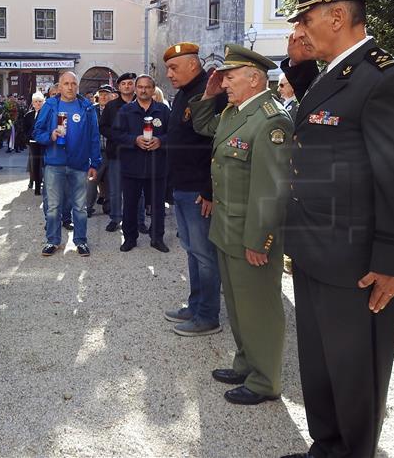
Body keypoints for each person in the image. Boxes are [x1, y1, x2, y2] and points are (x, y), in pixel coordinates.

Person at [279, 0, 394, 458]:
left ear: (337, 17)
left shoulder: (386, 79)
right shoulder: (336, 74)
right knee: (319, 365)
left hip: (355, 261)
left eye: (305, 19)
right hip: (313, 248)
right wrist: (299, 64)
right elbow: (321, 123)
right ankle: (325, 446)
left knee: (353, 371)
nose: (300, 30)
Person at [190, 43, 292, 406]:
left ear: (254, 78)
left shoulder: (271, 120)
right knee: (237, 305)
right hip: (227, 228)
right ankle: (246, 363)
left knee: (260, 309)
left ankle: (266, 381)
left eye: (230, 77)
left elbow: (271, 190)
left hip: (251, 234)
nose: (224, 82)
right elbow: (202, 125)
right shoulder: (237, 112)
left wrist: (258, 241)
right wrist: (209, 94)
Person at [162, 42, 227, 336]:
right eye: (167, 69)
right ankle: (195, 305)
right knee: (192, 251)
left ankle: (208, 316)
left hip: (199, 190)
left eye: (174, 68)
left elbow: (218, 144)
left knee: (205, 255)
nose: (169, 74)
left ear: (193, 64)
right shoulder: (185, 93)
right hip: (182, 185)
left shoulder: (211, 92)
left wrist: (210, 189)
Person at [33, 71, 101, 257]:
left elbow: (94, 137)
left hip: (79, 164)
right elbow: (37, 132)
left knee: (80, 207)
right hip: (54, 164)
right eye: (66, 84)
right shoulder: (50, 105)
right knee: (54, 206)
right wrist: (51, 136)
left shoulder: (86, 107)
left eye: (73, 83)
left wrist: (94, 163)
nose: (70, 87)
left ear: (77, 86)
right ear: (60, 86)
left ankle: (81, 241)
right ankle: (52, 241)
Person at [112, 74, 170, 253]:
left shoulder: (163, 110)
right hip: (132, 167)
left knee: (158, 205)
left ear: (153, 90)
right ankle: (130, 238)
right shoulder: (125, 111)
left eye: (147, 87)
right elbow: (115, 135)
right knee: (130, 204)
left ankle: (157, 238)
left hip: (157, 166)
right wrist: (133, 140)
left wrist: (160, 141)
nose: (144, 90)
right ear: (136, 89)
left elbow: (175, 133)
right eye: (140, 87)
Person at [99, 72, 147, 233]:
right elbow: (103, 127)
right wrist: (117, 136)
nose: (127, 86)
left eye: (130, 83)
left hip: (138, 154)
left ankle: (140, 221)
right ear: (119, 87)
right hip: (117, 154)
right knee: (115, 190)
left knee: (139, 191)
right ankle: (115, 218)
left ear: (134, 86)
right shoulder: (111, 106)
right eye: (124, 84)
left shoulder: (143, 104)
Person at [85, 85, 113, 217]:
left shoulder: (115, 109)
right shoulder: (92, 110)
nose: (103, 96)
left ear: (111, 96)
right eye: (101, 94)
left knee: (109, 181)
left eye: (106, 94)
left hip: (112, 151)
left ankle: (108, 206)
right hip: (96, 152)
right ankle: (88, 207)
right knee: (92, 180)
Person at [23, 90, 45, 194]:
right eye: (36, 101)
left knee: (44, 164)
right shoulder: (28, 115)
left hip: (44, 142)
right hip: (33, 142)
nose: (38, 103)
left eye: (40, 101)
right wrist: (27, 139)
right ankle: (36, 187)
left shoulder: (46, 114)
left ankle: (44, 184)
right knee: (35, 164)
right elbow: (24, 129)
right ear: (32, 103)